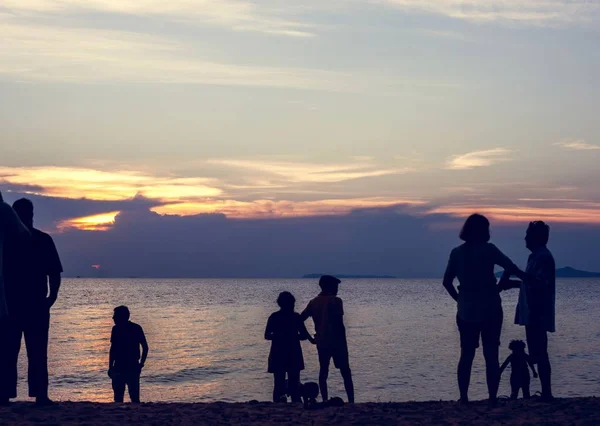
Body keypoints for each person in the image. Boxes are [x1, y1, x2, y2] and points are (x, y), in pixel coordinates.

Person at [443, 214, 526, 405]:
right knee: (491, 355)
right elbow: (511, 266)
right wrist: (511, 281)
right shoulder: (489, 250)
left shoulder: (457, 253)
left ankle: (463, 397)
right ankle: (492, 398)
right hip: (490, 309)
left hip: (466, 310)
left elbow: (447, 282)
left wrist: (459, 300)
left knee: (466, 355)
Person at [0, 198, 60, 406]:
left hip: (30, 306)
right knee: (11, 352)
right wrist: (51, 298)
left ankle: (36, 395)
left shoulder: (41, 240)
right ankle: (9, 394)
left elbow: (54, 273)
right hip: (15, 307)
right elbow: (54, 273)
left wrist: (51, 298)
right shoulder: (8, 242)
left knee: (31, 353)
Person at [499, 221, 555, 402]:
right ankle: (545, 392)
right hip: (532, 311)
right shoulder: (534, 257)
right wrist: (514, 284)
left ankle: (547, 393)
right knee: (537, 353)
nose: (525, 238)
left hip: (538, 311)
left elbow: (539, 284)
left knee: (541, 352)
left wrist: (515, 271)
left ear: (536, 237)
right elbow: (531, 283)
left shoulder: (543, 257)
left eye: (528, 234)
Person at [301, 275, 355, 404]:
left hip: (322, 341)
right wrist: (343, 342)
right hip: (337, 342)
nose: (337, 289)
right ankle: (351, 401)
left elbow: (300, 319)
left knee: (323, 371)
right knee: (346, 372)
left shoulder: (313, 302)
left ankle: (325, 399)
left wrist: (309, 338)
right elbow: (339, 323)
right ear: (328, 286)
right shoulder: (336, 301)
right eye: (335, 286)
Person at [265, 291, 314, 403]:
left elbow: (267, 335)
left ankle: (278, 404)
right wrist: (294, 336)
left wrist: (278, 336)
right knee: (294, 383)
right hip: (293, 352)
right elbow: (303, 335)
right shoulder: (296, 317)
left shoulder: (274, 317)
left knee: (279, 383)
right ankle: (295, 404)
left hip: (278, 352)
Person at [108, 306, 149, 403]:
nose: (113, 318)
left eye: (115, 316)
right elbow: (112, 349)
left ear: (122, 317)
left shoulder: (136, 328)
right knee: (119, 398)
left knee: (133, 397)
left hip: (131, 366)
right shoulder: (115, 329)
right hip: (120, 366)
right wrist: (110, 366)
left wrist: (141, 364)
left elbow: (145, 347)